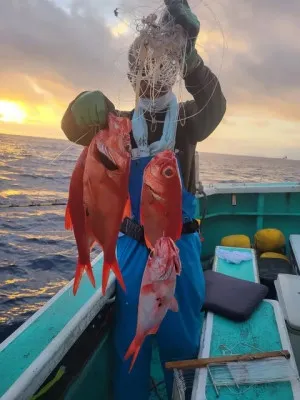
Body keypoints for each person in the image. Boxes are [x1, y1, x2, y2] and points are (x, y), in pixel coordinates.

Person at [61, 1, 226, 398]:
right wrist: (82, 106)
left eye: (165, 66)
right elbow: (71, 127)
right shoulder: (115, 126)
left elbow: (214, 105)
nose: (153, 77)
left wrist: (192, 58)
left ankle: (181, 391)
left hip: (178, 253)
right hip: (132, 251)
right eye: (146, 67)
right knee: (128, 350)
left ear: (172, 74)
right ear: (133, 74)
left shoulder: (187, 123)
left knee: (181, 347)